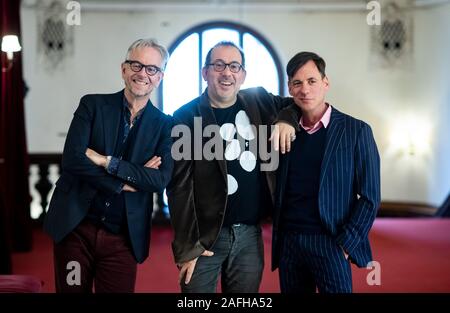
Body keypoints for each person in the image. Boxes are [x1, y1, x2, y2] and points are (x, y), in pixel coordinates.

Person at [43, 39, 173, 293]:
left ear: (160, 77)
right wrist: (125, 183)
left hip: (123, 238)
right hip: (75, 230)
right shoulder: (92, 105)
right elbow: (73, 160)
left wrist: (107, 162)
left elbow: (159, 180)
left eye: (151, 69)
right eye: (136, 65)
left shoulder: (165, 126)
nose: (142, 74)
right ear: (123, 69)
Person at [167, 41, 297, 293]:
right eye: (218, 65)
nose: (227, 72)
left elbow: (295, 105)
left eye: (234, 66)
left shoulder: (259, 100)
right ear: (205, 73)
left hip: (250, 235)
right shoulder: (184, 117)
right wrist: (187, 247)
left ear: (243, 75)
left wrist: (286, 121)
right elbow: (179, 188)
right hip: (203, 238)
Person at [272, 51, 381, 293]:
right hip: (290, 240)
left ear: (325, 82)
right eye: (297, 83)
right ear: (289, 88)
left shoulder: (357, 131)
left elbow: (370, 197)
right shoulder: (285, 132)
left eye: (312, 81)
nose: (305, 90)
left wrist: (345, 245)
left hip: (330, 241)